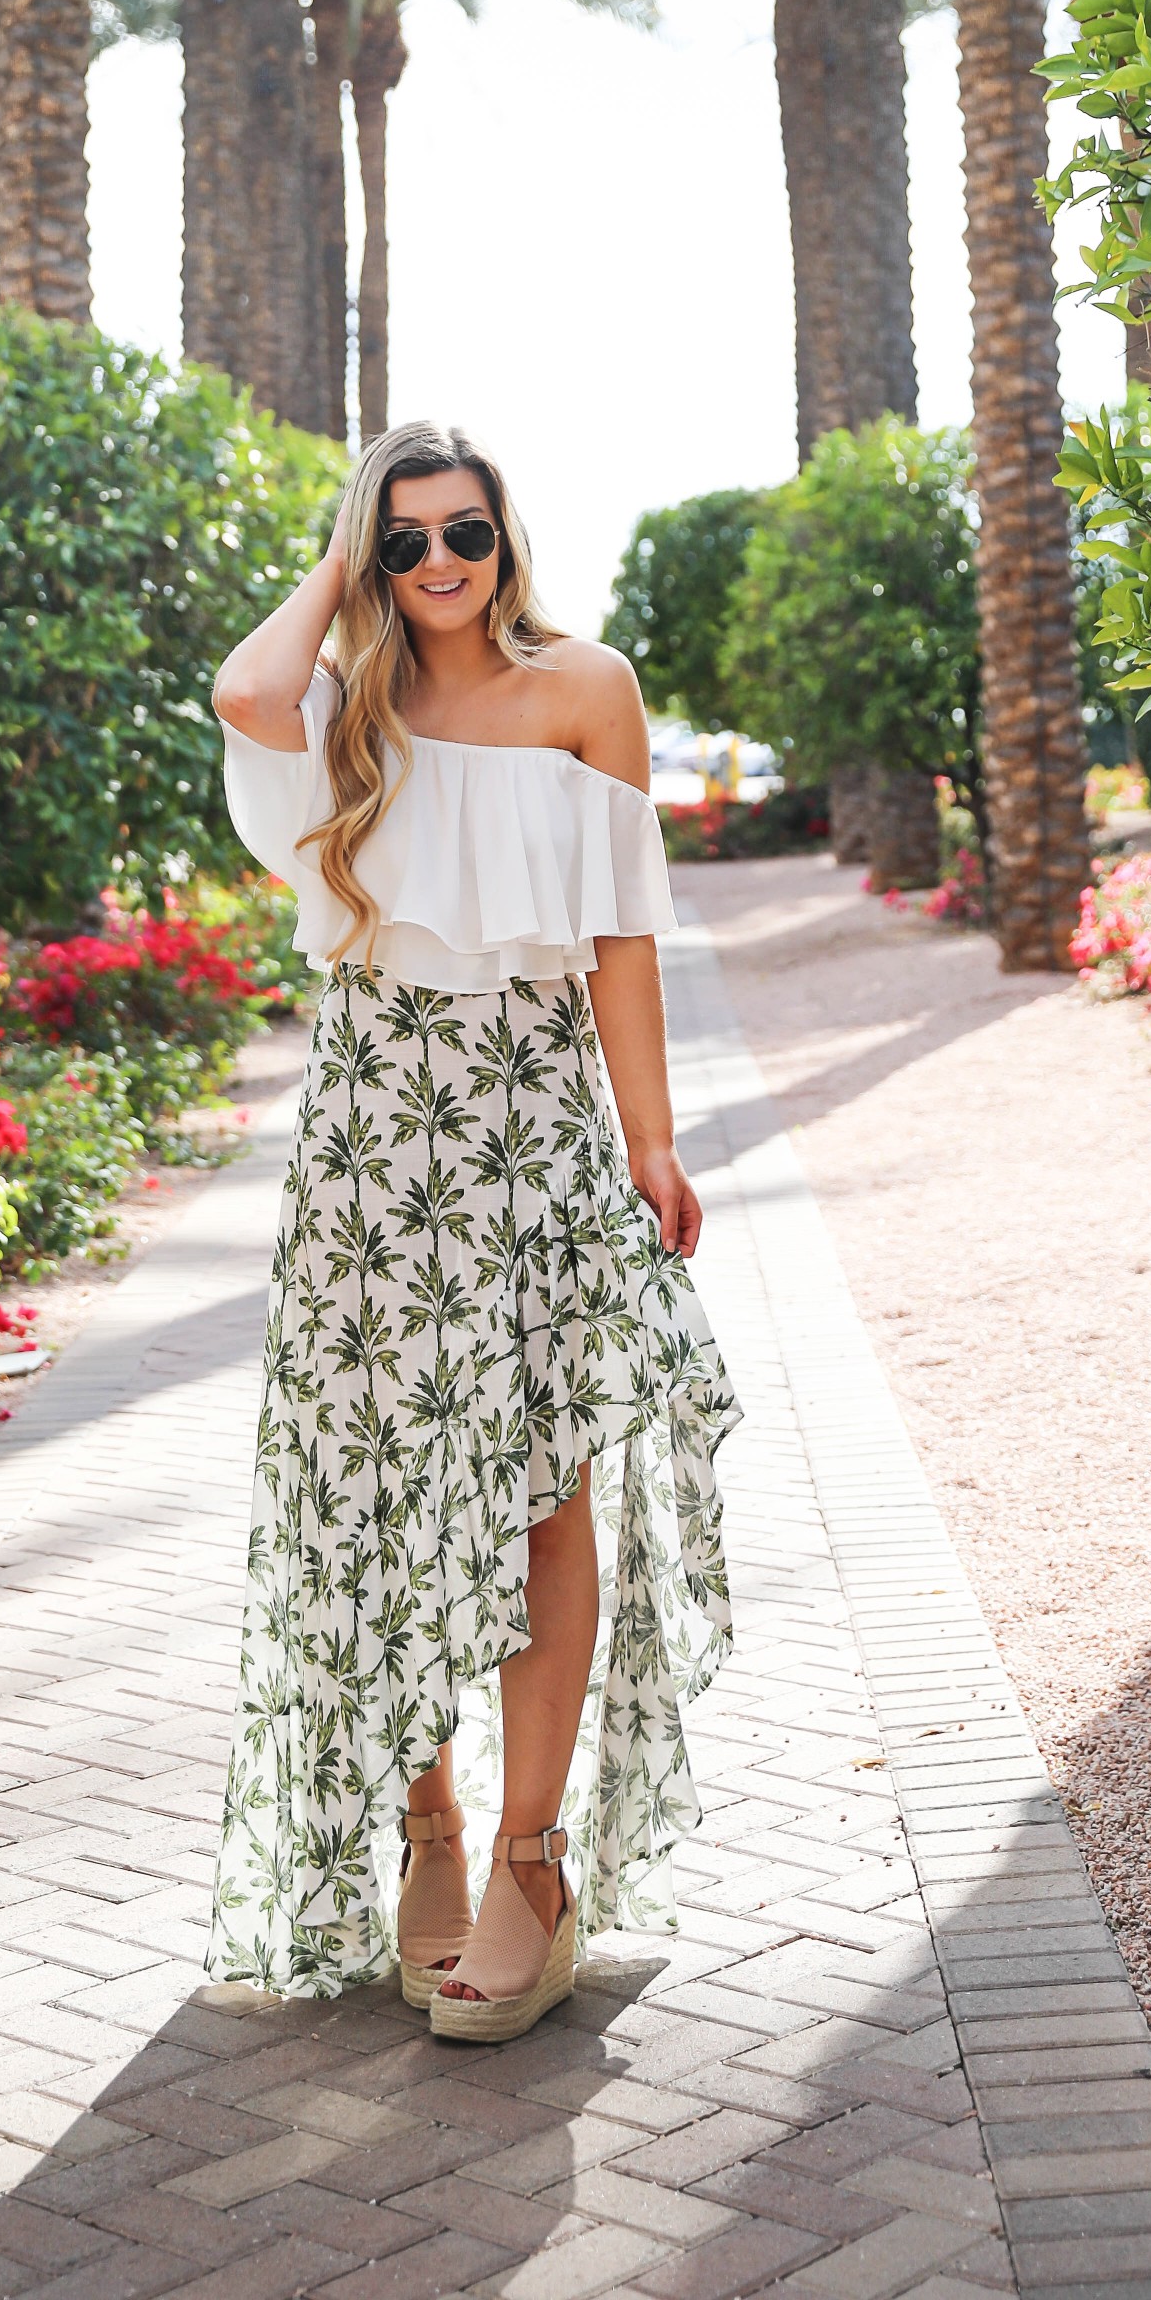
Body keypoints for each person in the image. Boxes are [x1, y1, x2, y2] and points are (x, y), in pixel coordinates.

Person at [206, 418, 739, 2043]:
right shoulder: (341, 703)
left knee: (542, 1487)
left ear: (511, 543)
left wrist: (651, 1140)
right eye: (407, 540)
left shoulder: (589, 691)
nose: (440, 565)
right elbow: (241, 694)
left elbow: (623, 940)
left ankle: (528, 1857)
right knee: (375, 1490)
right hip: (371, 1149)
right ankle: (421, 1825)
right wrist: (341, 553)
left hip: (530, 1128)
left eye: (467, 535)